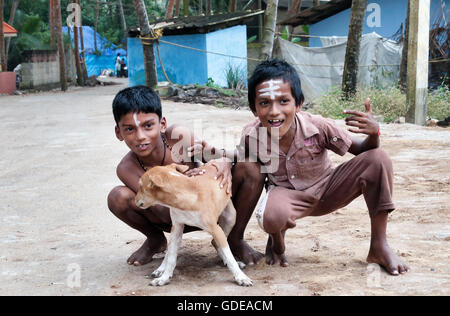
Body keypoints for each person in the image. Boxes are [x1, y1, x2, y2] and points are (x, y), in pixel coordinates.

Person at [197, 59, 409, 276]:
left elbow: (364, 151)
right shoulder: (252, 135)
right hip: (287, 197)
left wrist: (374, 134)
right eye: (264, 103)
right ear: (253, 108)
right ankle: (276, 239)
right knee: (270, 214)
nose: (274, 111)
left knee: (379, 158)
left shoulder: (318, 126)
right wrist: (218, 155)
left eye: (283, 101)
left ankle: (379, 246)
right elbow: (242, 157)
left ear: (299, 103)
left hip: (329, 188)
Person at [108, 85, 210, 266]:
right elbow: (162, 213)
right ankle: (155, 240)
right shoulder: (127, 168)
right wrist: (184, 181)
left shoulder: (179, 137)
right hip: (169, 218)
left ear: (162, 124)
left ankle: (234, 239)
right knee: (117, 197)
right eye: (129, 129)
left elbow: (215, 165)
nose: (140, 136)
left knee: (233, 174)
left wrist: (209, 157)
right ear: (119, 133)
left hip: (206, 209)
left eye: (148, 126)